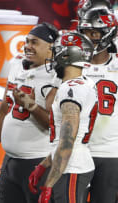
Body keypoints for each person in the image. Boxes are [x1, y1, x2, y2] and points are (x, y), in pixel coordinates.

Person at [0, 23, 59, 203]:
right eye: (26, 41)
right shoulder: (17, 65)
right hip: (10, 161)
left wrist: (31, 106)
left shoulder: (57, 75)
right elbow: (4, 107)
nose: (27, 46)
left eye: (34, 42)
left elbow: (53, 124)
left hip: (38, 161)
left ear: (51, 48)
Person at [29, 31, 97, 203]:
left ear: (67, 55)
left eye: (56, 52)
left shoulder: (71, 89)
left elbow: (67, 142)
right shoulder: (83, 82)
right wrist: (43, 166)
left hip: (72, 168)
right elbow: (63, 139)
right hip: (72, 165)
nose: (53, 58)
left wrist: (49, 185)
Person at [77, 2, 118, 202]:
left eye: (94, 33)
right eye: (85, 31)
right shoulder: (70, 62)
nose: (88, 37)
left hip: (110, 151)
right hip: (76, 151)